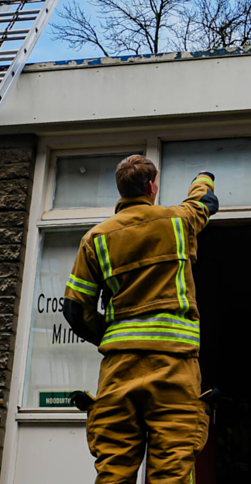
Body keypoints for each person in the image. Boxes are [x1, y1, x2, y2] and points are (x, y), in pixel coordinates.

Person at [63, 154, 219, 483]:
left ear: (121, 190)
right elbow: (204, 203)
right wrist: (203, 177)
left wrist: (112, 335)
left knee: (114, 469)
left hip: (119, 370)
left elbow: (75, 310)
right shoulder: (177, 221)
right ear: (151, 187)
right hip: (174, 367)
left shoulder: (96, 239)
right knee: (172, 468)